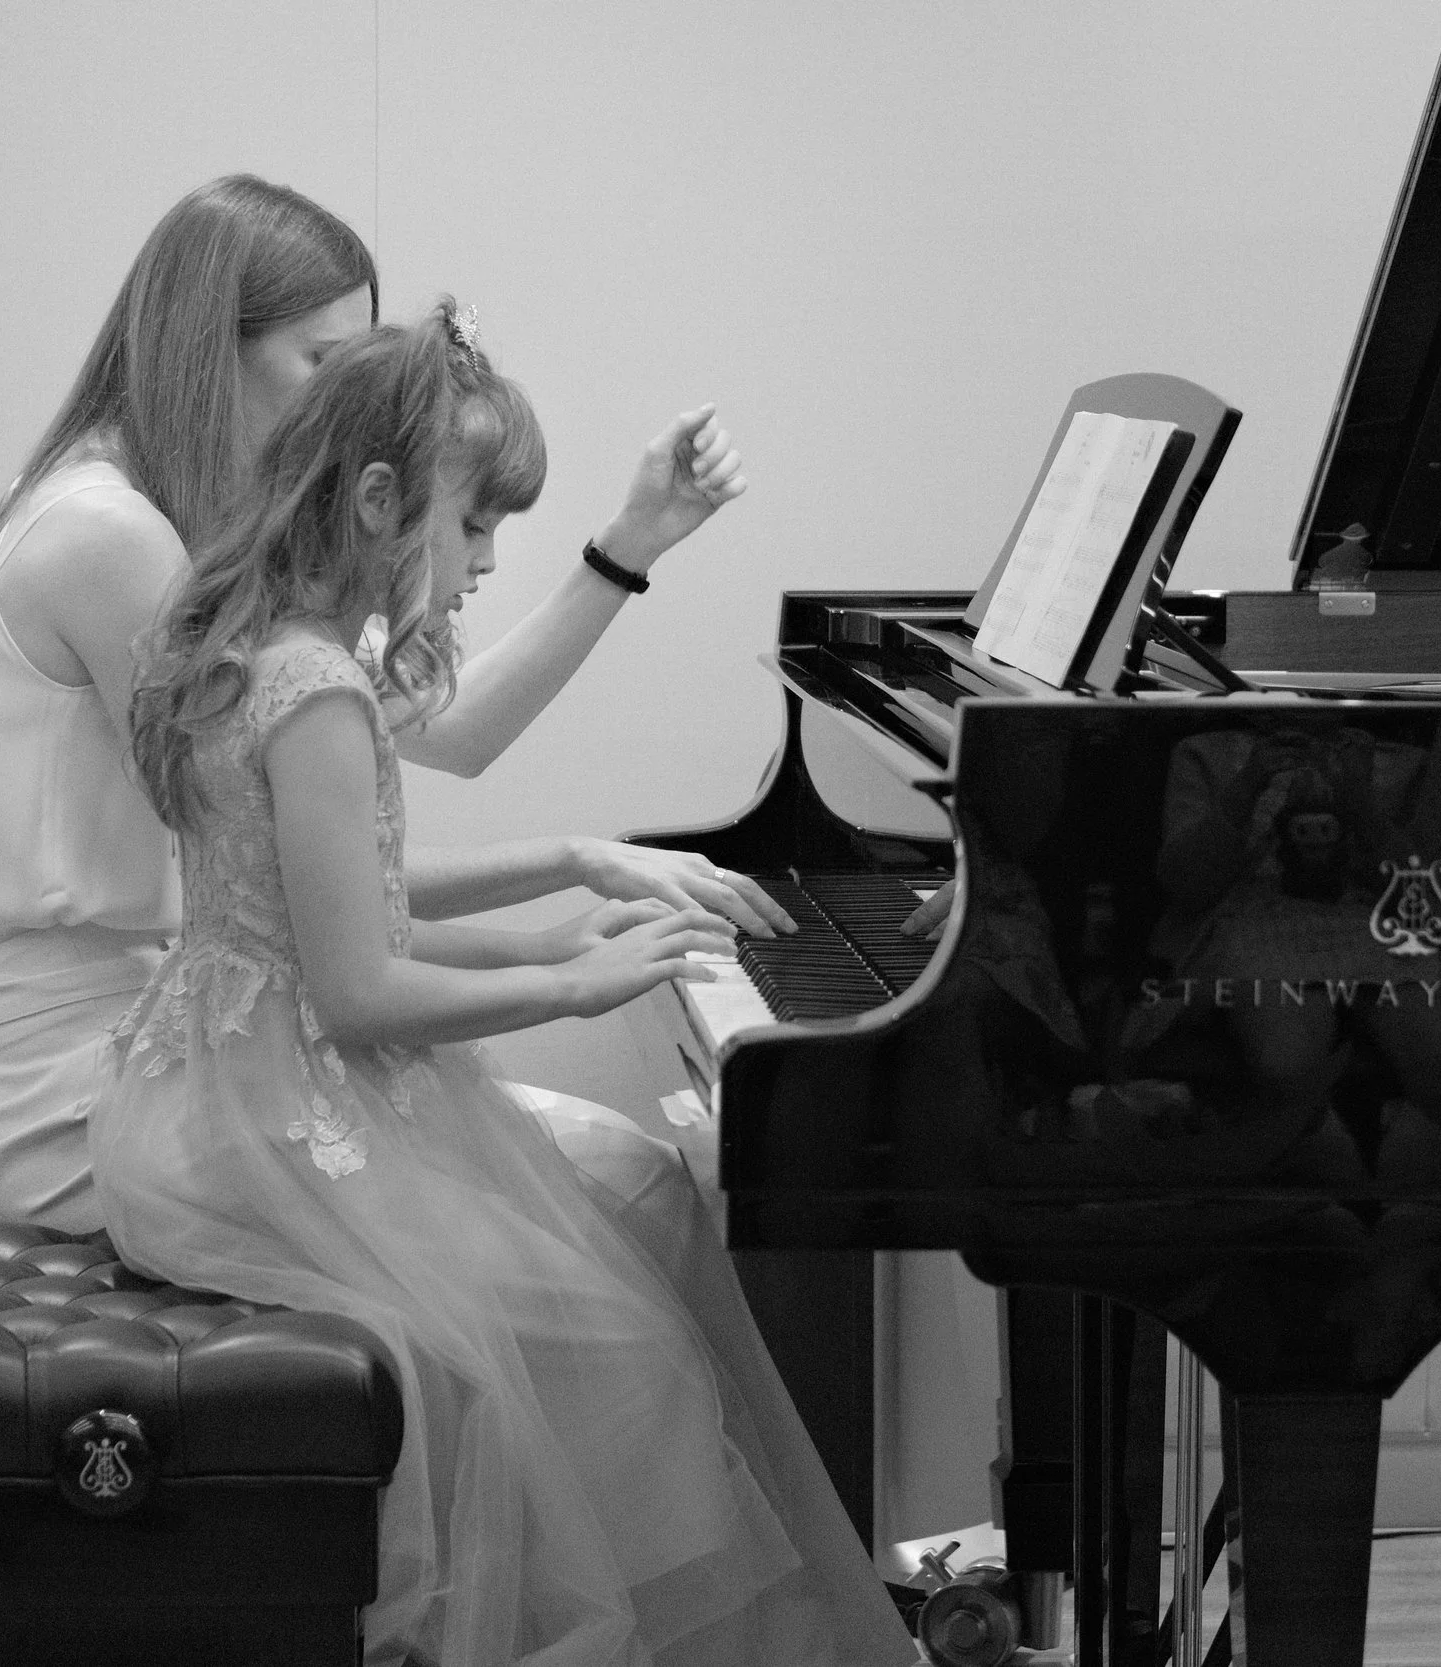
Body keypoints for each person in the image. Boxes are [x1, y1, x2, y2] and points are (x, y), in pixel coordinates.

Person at [98, 304, 911, 1667]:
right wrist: (576, 981)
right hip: (271, 1116)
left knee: (647, 1188)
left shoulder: (279, 647)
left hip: (244, 1080)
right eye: (473, 527)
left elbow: (346, 918)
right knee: (616, 1339)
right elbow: (358, 988)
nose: (481, 564)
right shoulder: (312, 691)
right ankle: (614, 1627)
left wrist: (573, 902)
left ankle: (688, 1613)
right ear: (375, 500)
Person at [0, 174, 786, 1230]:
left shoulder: (174, 537)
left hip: (158, 1025)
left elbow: (419, 766)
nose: (347, 401)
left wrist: (629, 548)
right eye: (323, 364)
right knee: (617, 1186)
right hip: (82, 1082)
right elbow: (299, 896)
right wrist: (558, 935)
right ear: (206, 347)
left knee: (604, 1178)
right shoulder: (113, 537)